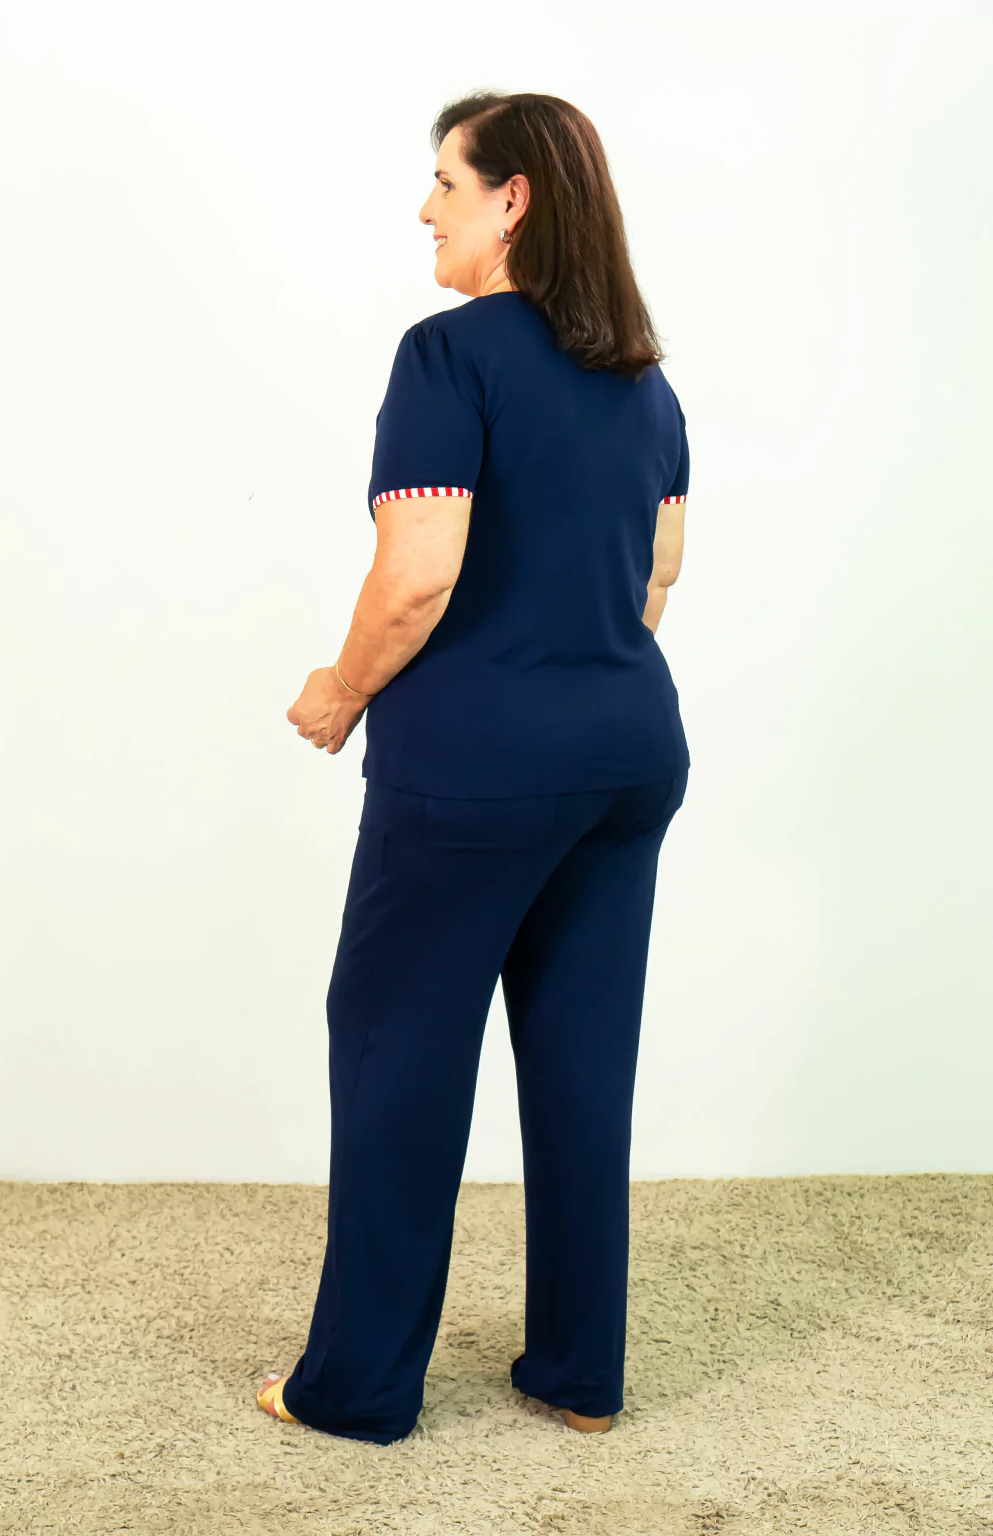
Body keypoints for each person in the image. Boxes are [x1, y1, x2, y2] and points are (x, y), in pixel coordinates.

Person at [259, 91, 691, 1445]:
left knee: (396, 1049)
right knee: (581, 1063)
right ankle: (578, 1373)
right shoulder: (647, 382)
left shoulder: (446, 357)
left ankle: (357, 1389)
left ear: (514, 201)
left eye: (444, 183)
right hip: (628, 757)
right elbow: (656, 580)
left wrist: (341, 689)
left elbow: (418, 576)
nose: (424, 209)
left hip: (473, 776)